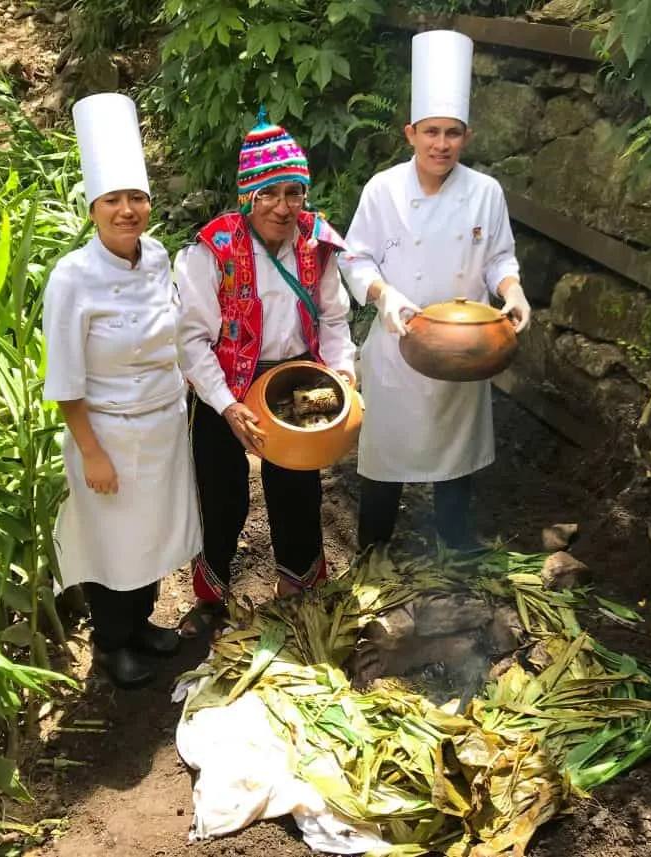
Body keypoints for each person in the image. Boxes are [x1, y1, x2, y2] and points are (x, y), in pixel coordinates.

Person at [338, 30, 532, 552]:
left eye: (451, 133)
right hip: (398, 344)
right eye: (430, 132)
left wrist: (512, 292)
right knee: (385, 455)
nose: (440, 144)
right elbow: (355, 257)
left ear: (466, 137)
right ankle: (373, 549)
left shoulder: (485, 192)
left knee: (455, 453)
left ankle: (454, 543)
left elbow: (498, 259)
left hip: (464, 348)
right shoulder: (382, 190)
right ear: (410, 133)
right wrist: (385, 296)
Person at [42, 93, 202, 689]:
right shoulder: (72, 278)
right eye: (114, 200)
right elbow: (63, 380)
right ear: (93, 209)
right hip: (104, 429)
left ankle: (141, 623)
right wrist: (91, 451)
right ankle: (111, 644)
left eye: (136, 198)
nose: (127, 210)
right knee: (113, 542)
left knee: (154, 532)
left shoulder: (159, 257)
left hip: (161, 422)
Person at [175, 111, 356, 636]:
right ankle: (212, 597)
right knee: (220, 490)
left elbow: (335, 317)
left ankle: (298, 586)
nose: (283, 206)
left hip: (294, 379)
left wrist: (341, 372)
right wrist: (226, 405)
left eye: (293, 192)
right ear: (248, 195)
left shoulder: (315, 244)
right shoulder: (213, 250)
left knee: (297, 485)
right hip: (221, 382)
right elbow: (190, 339)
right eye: (270, 193)